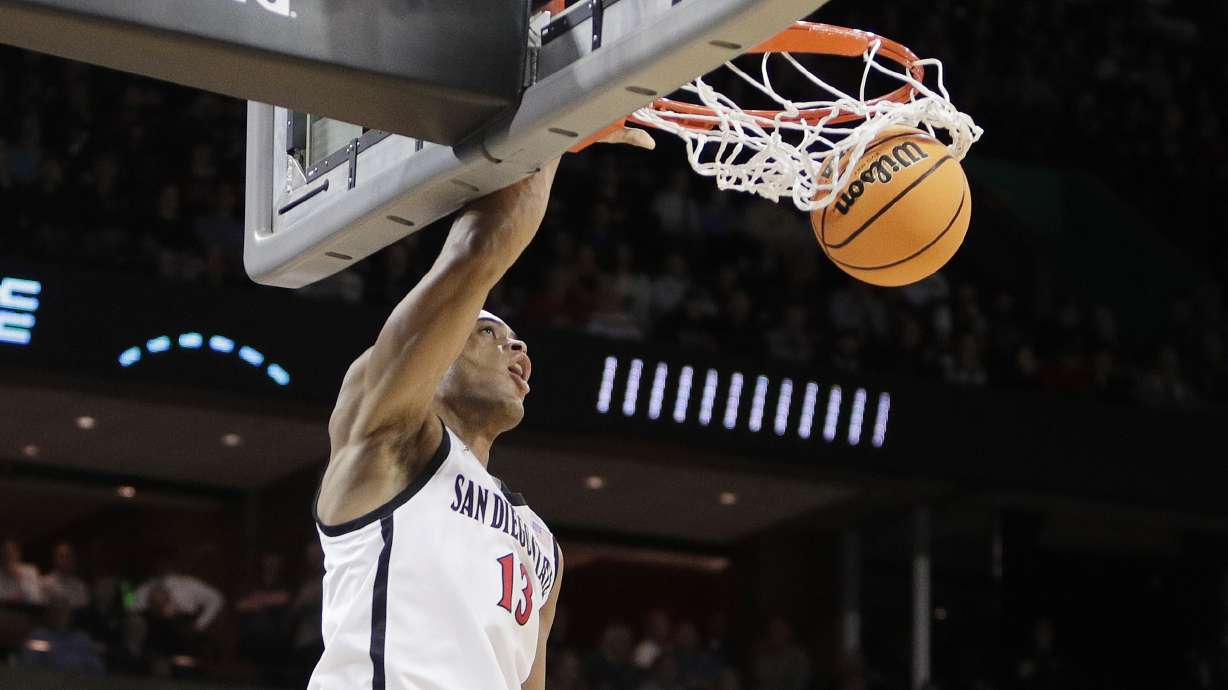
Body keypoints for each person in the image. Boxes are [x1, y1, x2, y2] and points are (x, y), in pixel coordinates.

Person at [310, 127, 654, 690]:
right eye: (489, 332)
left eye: (519, 342)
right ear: (435, 356)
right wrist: (560, 124)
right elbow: (478, 255)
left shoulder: (543, 545)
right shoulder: (389, 439)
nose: (518, 347)